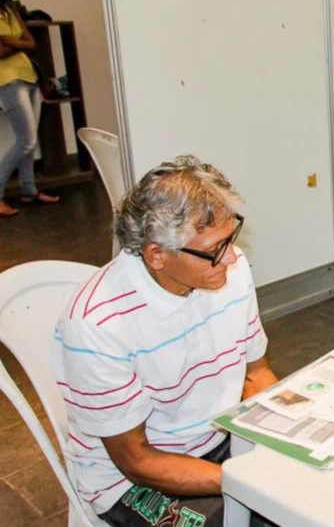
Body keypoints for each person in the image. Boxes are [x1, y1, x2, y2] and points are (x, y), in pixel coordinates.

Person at [52, 155, 278, 527]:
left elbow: (257, 373)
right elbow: (137, 460)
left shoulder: (228, 272)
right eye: (214, 250)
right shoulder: (96, 324)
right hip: (129, 480)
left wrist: (285, 441)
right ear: (157, 254)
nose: (231, 258)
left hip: (215, 440)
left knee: (300, 508)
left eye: (229, 238)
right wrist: (244, 482)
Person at [0, 0, 58, 217]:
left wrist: (9, 40)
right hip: (8, 81)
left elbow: (31, 44)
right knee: (26, 140)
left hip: (30, 76)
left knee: (30, 140)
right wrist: (17, 43)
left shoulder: (10, 8)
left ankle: (28, 190)